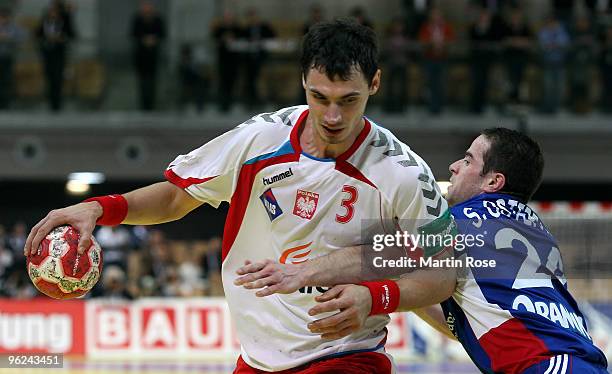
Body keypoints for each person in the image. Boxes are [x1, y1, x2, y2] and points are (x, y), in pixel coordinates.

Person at [24, 19, 455, 373]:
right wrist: (99, 208)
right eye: (319, 97)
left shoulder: (401, 173)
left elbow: (442, 273)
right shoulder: (260, 140)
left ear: (375, 83)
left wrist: (376, 297)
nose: (333, 116)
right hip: (257, 359)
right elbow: (176, 198)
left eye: (349, 100)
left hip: (348, 355)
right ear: (303, 80)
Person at [235, 128, 609, 373]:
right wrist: (404, 294)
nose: (454, 166)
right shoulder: (535, 232)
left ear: (494, 181)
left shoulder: (466, 223)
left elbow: (373, 256)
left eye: (467, 160)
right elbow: (465, 323)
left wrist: (300, 272)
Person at [36, 3, 75, 111]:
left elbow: (72, 35)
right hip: (47, 54)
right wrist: (46, 38)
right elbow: (37, 34)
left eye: (55, 12)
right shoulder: (44, 22)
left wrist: (61, 38)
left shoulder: (64, 23)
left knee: (58, 78)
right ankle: (50, 103)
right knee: (49, 78)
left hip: (59, 54)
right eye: (51, 12)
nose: (52, 14)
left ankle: (57, 104)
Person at [131, 0, 165, 111]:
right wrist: (144, 39)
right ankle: (143, 105)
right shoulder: (137, 19)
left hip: (153, 56)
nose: (147, 8)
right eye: (144, 6)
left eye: (148, 6)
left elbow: (162, 34)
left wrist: (153, 39)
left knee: (152, 81)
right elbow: (133, 34)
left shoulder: (158, 19)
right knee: (142, 81)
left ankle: (151, 105)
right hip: (140, 56)